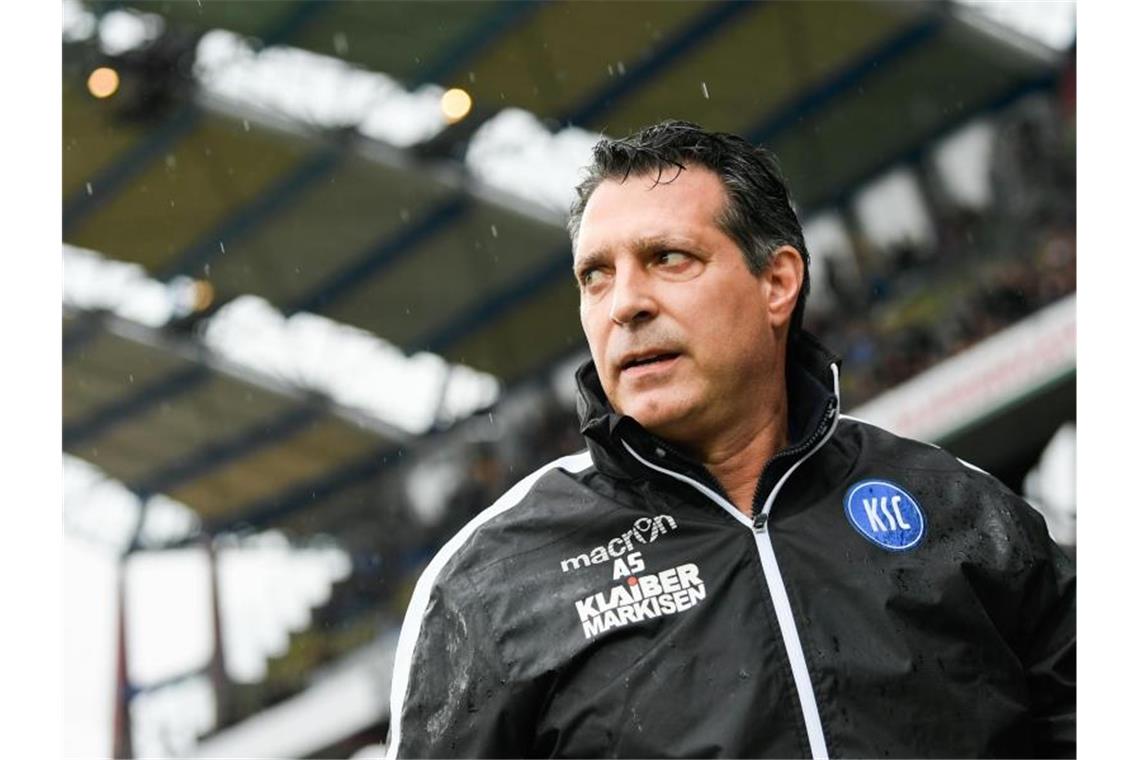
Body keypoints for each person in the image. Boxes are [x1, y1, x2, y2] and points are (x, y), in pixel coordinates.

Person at [385, 121, 1075, 758]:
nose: (625, 303)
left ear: (777, 282)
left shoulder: (954, 506)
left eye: (668, 258)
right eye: (596, 276)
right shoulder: (491, 582)